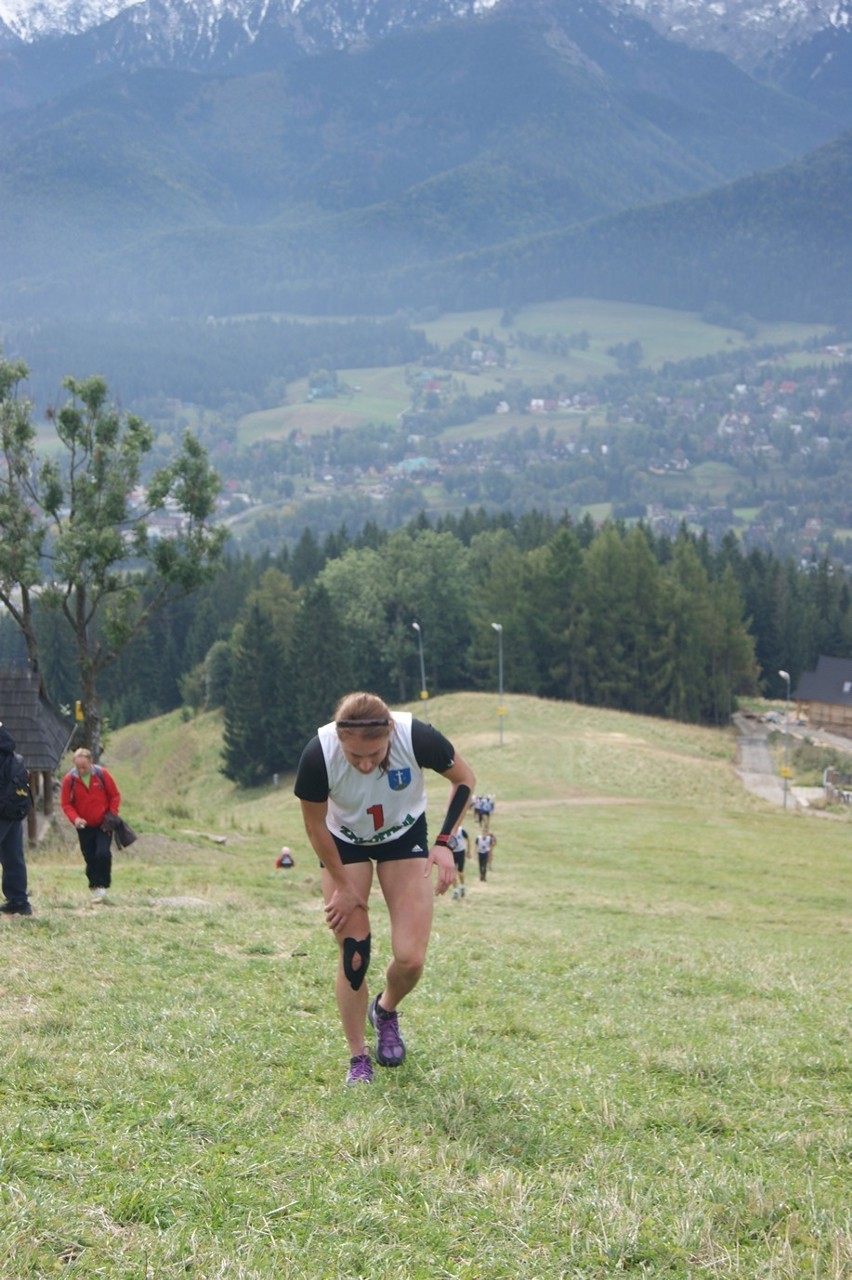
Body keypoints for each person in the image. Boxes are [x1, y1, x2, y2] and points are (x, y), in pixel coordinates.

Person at [295, 691, 475, 1086]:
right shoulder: (318, 754)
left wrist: (444, 843)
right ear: (339, 738)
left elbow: (464, 779)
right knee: (354, 953)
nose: (364, 764)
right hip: (344, 843)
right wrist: (343, 886)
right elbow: (314, 826)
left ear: (389, 731)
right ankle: (358, 1058)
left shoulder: (416, 737)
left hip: (402, 835)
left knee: (411, 959)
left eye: (374, 755)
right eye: (354, 756)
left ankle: (386, 1010)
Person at [61, 748, 121, 902]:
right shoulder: (69, 780)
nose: (81, 770)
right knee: (89, 856)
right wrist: (75, 819)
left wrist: (112, 814)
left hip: (104, 824)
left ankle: (103, 885)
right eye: (78, 767)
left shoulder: (102, 775)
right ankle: (93, 885)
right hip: (84, 826)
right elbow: (66, 804)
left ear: (91, 763)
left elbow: (115, 796)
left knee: (103, 853)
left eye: (84, 767)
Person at [0, 726, 33, 917]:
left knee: (12, 857)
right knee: (13, 857)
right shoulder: (12, 756)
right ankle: (19, 901)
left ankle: (18, 900)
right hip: (13, 812)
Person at [449, 824, 469, 899]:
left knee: (460, 872)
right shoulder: (449, 831)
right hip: (452, 853)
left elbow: (468, 839)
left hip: (461, 852)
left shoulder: (461, 830)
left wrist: (468, 851)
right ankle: (455, 891)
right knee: (452, 873)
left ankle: (462, 886)